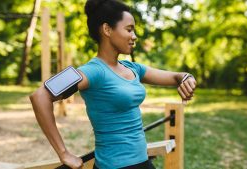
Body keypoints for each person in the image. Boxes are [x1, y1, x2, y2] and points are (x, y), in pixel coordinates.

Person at [29, 0, 196, 168]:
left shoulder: (132, 68)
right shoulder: (92, 71)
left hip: (143, 162)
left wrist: (187, 78)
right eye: (129, 29)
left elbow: (176, 77)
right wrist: (64, 153)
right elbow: (40, 96)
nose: (134, 36)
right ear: (107, 29)